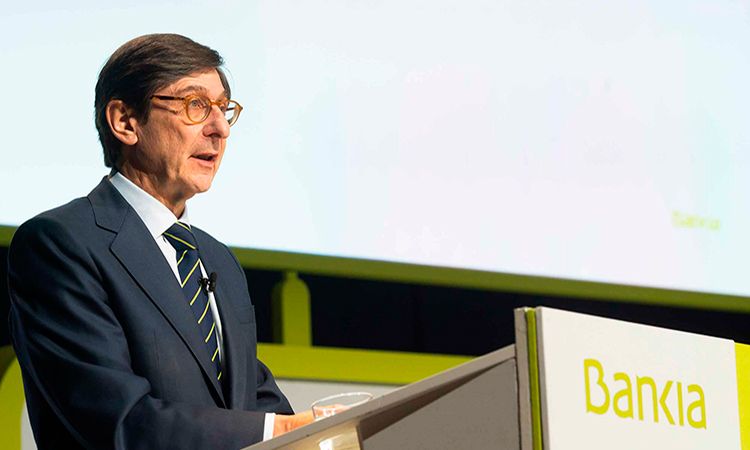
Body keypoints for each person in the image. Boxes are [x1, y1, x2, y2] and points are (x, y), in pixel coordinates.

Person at [7, 33, 313, 449]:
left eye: (223, 109)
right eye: (195, 105)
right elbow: (120, 421)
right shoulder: (60, 244)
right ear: (125, 122)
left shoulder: (217, 259)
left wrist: (324, 429)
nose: (220, 129)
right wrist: (282, 430)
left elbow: (254, 401)